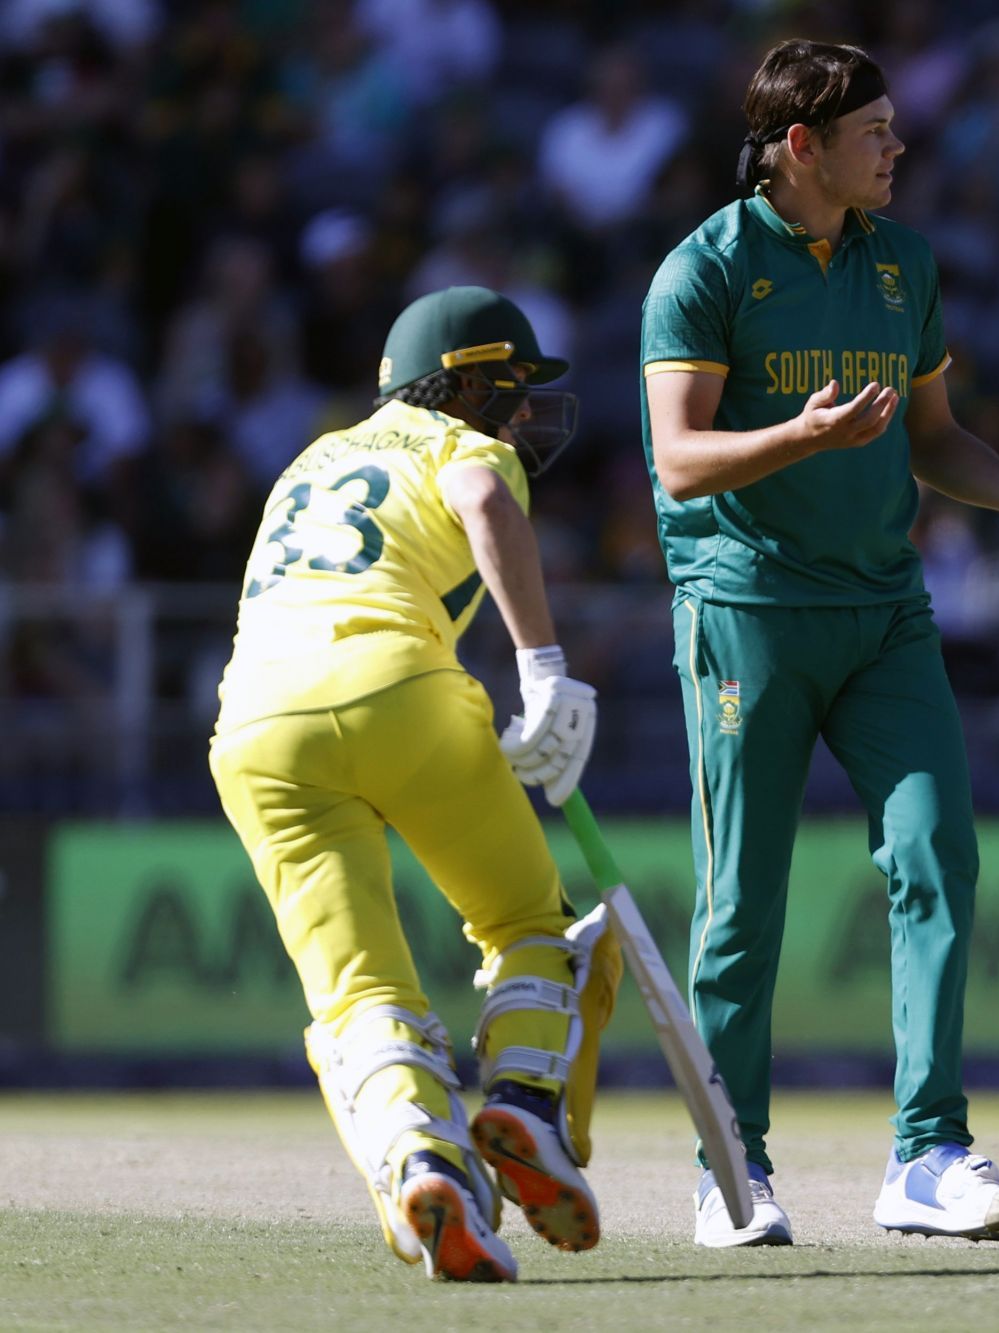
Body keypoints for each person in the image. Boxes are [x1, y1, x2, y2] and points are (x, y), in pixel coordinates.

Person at [640, 38, 999, 1247]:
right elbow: (680, 460)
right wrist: (797, 439)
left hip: (885, 611)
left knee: (936, 854)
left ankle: (928, 1154)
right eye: (876, 134)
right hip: (746, 609)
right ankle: (730, 1169)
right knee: (742, 900)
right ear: (802, 147)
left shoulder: (903, 262)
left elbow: (936, 436)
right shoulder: (704, 268)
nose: (899, 149)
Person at [207, 287, 616, 1282]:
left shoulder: (310, 460)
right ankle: (521, 1102)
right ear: (463, 381)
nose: (523, 412)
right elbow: (483, 506)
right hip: (396, 685)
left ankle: (423, 1165)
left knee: (357, 996)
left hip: (254, 724)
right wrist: (543, 666)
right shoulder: (459, 443)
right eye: (512, 387)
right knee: (532, 927)